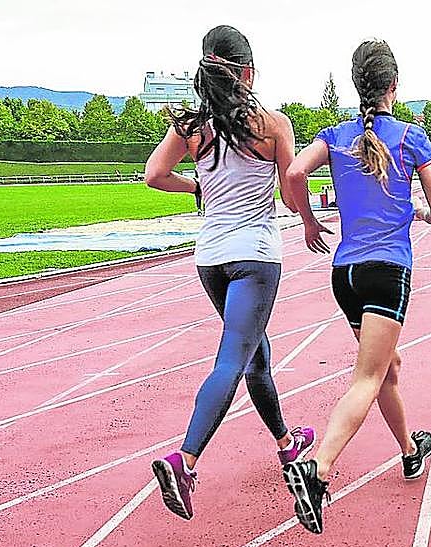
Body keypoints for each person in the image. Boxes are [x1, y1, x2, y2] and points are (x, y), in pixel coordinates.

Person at [145, 24, 314, 521]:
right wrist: (307, 218)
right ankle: (185, 460)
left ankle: (286, 441)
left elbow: (153, 175)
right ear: (248, 72)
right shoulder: (272, 124)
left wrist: (197, 188)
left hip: (210, 259)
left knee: (254, 353)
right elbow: (289, 190)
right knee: (231, 361)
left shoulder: (191, 127)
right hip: (255, 259)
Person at [282, 40, 431, 535]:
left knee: (387, 367)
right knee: (368, 376)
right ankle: (318, 473)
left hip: (345, 273)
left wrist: (310, 220)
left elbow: (293, 172)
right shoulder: (410, 138)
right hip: (387, 268)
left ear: (357, 86)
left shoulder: (334, 136)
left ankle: (408, 449)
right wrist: (416, 212)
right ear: (394, 87)